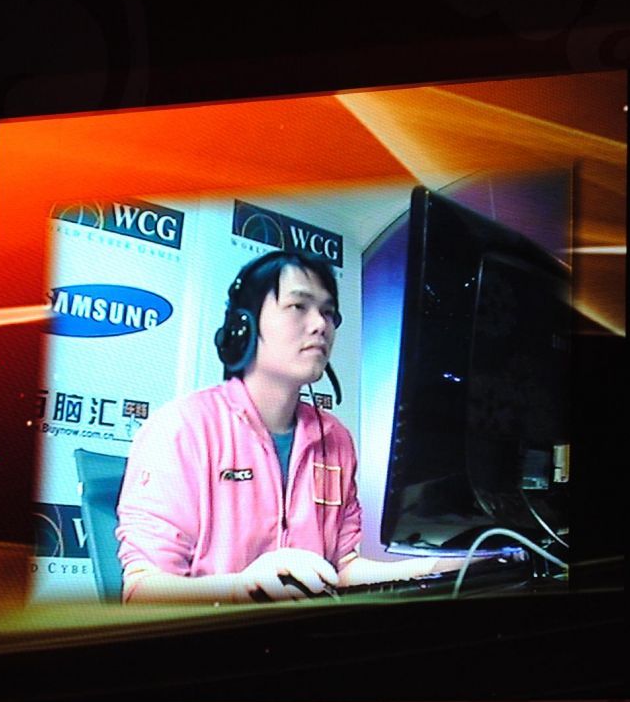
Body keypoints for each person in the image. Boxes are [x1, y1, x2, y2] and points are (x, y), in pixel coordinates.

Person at [114, 249, 464, 604]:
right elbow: (143, 592)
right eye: (298, 306)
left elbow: (342, 569)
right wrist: (241, 587)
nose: (320, 325)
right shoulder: (181, 429)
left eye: (328, 312)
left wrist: (437, 568)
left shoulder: (335, 438)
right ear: (244, 326)